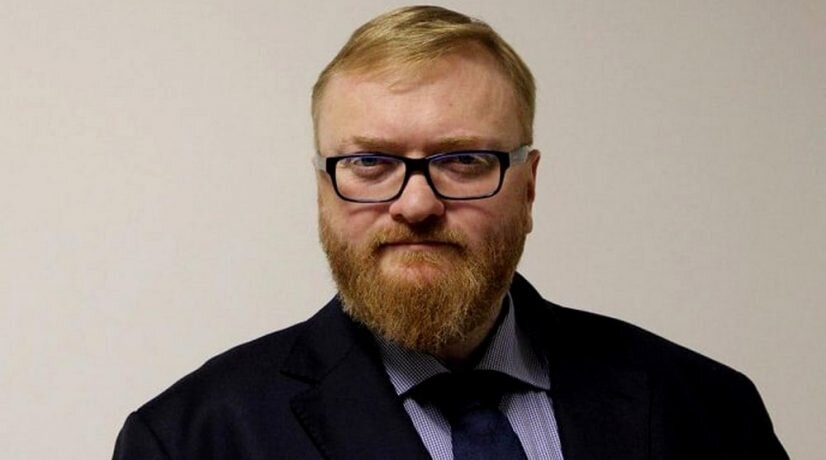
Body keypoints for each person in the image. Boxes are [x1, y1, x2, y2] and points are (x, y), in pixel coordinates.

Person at [113, 5, 788, 459]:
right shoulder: (189, 440)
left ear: (528, 187)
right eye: (370, 163)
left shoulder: (708, 410)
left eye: (463, 161)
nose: (415, 204)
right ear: (323, 192)